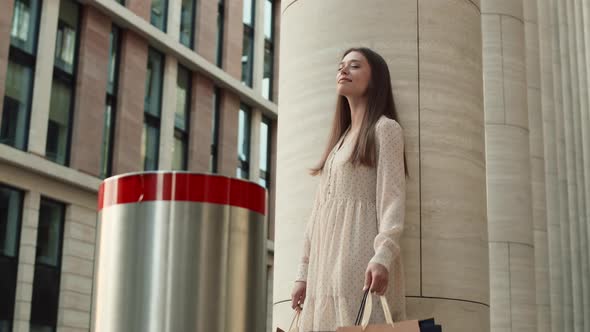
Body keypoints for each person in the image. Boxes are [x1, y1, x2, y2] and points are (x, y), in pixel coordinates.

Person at [290, 47, 408, 331]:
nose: (343, 70)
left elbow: (392, 199)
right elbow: (316, 215)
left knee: (358, 323)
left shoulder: (385, 129)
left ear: (375, 79)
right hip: (324, 264)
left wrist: (384, 256)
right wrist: (303, 274)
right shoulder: (338, 144)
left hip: (358, 257)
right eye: (341, 66)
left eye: (354, 66)